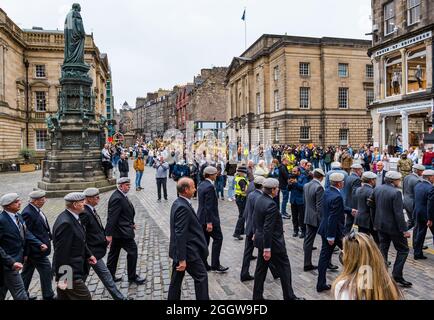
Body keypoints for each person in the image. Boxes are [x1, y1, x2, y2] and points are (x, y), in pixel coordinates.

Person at [252, 178, 302, 300]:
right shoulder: (271, 204)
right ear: (273, 190)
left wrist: (255, 233)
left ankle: (257, 296)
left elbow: (255, 218)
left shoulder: (260, 199)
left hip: (262, 240)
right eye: (277, 188)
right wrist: (267, 249)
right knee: (285, 268)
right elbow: (268, 228)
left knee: (260, 270)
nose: (278, 190)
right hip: (273, 243)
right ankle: (289, 296)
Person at [81, 188, 128, 300]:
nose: (99, 198)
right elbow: (82, 236)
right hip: (91, 252)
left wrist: (103, 240)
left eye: (98, 196)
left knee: (82, 277)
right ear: (88, 199)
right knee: (105, 275)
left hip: (90, 252)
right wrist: (88, 253)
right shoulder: (85, 213)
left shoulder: (91, 210)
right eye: (96, 197)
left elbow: (96, 229)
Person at [168, 178, 209, 300]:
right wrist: (182, 259)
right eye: (193, 187)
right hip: (188, 252)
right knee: (201, 277)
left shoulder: (178, 202)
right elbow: (180, 234)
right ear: (186, 190)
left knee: (176, 280)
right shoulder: (182, 207)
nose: (195, 189)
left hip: (180, 251)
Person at [0, 193, 46, 300]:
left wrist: (38, 243)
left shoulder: (18, 216)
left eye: (19, 200)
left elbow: (25, 232)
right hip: (9, 264)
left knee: (2, 290)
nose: (20, 203)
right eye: (16, 202)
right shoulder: (2, 220)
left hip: (17, 259)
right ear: (7, 206)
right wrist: (11, 262)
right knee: (20, 293)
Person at [370, 171, 412, 288]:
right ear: (394, 181)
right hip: (394, 228)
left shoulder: (377, 189)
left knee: (383, 248)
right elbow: (399, 214)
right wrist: (404, 230)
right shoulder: (396, 193)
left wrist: (374, 223)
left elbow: (372, 208)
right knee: (403, 250)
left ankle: (381, 273)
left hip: (380, 225)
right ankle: (397, 275)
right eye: (399, 180)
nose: (400, 182)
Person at [332, 231, 403, 300]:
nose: (342, 252)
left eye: (344, 250)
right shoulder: (389, 283)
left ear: (350, 258)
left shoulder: (345, 287)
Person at [52, 192, 96, 300]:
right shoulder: (66, 223)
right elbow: (62, 253)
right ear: (75, 205)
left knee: (64, 297)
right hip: (70, 272)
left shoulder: (73, 217)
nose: (85, 204)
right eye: (82, 202)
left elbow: (79, 241)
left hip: (72, 269)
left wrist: (89, 254)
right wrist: (63, 277)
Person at [316, 173, 355, 292]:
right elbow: (333, 217)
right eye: (342, 182)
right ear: (339, 183)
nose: (343, 183)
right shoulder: (337, 196)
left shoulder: (327, 191)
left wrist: (349, 210)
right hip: (334, 232)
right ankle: (351, 280)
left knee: (324, 257)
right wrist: (331, 236)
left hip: (325, 229)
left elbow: (334, 208)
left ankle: (321, 283)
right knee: (350, 254)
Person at [106, 178, 145, 285]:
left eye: (129, 184)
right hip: (122, 233)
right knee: (133, 252)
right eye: (127, 185)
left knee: (113, 254)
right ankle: (132, 277)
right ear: (120, 186)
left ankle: (110, 277)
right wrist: (108, 234)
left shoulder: (121, 195)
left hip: (120, 231)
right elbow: (112, 218)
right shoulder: (117, 198)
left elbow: (124, 213)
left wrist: (131, 223)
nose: (129, 186)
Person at [21, 190, 55, 300]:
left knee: (26, 273)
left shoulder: (35, 209)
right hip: (35, 250)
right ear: (35, 201)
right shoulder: (27, 213)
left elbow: (43, 226)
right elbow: (26, 233)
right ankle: (48, 295)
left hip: (35, 250)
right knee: (46, 269)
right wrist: (36, 246)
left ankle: (22, 295)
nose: (44, 201)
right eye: (42, 199)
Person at [197, 166, 228, 273]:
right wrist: (209, 222)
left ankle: (203, 264)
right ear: (210, 175)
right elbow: (208, 206)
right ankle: (215, 264)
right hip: (210, 219)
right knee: (218, 239)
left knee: (205, 242)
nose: (216, 175)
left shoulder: (201, 184)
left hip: (201, 218)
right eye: (215, 173)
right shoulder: (209, 187)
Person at [240, 176, 264, 282]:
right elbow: (256, 216)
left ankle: (244, 273)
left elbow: (246, 213)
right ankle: (276, 272)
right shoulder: (260, 197)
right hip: (256, 229)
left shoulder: (250, 195)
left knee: (247, 252)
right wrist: (255, 231)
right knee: (264, 249)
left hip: (249, 227)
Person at [303, 168, 325, 271]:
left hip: (308, 216)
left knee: (308, 241)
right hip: (316, 219)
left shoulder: (306, 185)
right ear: (321, 177)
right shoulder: (319, 187)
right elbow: (319, 207)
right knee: (325, 241)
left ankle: (307, 263)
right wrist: (322, 221)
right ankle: (327, 263)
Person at [413, 170, 434, 260]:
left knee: (420, 234)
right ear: (430, 177)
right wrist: (430, 219)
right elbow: (430, 205)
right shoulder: (431, 188)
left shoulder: (417, 185)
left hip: (418, 212)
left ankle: (417, 253)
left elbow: (415, 200)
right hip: (428, 215)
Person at [355, 172, 378, 242]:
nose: (375, 181)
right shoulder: (372, 191)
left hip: (360, 218)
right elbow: (372, 208)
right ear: (371, 181)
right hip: (369, 220)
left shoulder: (358, 189)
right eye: (375, 180)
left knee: (362, 240)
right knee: (378, 240)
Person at [403, 164, 424, 231]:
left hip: (406, 201)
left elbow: (403, 189)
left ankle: (402, 231)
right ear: (418, 171)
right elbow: (418, 194)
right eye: (422, 171)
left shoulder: (406, 177)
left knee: (411, 221)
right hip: (413, 203)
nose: (423, 172)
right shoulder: (417, 180)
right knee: (416, 223)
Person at [288, 167, 309, 238]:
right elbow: (288, 189)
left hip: (300, 200)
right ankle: (295, 230)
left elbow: (304, 187)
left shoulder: (303, 177)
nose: (293, 173)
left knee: (302, 217)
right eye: (292, 171)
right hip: (293, 200)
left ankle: (303, 231)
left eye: (294, 171)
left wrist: (296, 183)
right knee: (294, 217)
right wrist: (289, 184)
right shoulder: (291, 177)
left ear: (298, 171)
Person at [342, 164, 363, 234]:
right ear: (357, 170)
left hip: (348, 202)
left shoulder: (348, 177)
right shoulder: (357, 179)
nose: (361, 172)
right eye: (360, 170)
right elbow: (356, 194)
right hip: (354, 205)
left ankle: (344, 237)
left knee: (348, 223)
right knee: (358, 224)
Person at [233, 166, 249, 240]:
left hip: (239, 198)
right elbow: (244, 190)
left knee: (242, 215)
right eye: (244, 172)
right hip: (242, 198)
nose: (245, 173)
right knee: (242, 216)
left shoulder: (237, 178)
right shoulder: (242, 180)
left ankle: (241, 231)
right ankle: (237, 233)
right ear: (241, 173)